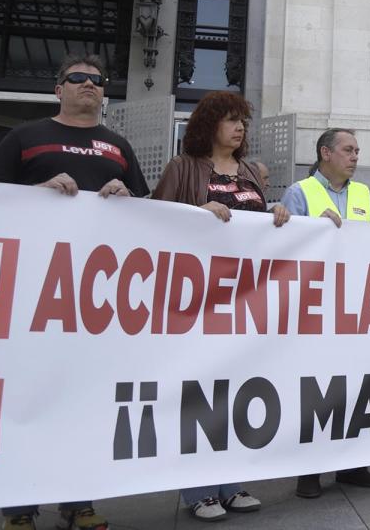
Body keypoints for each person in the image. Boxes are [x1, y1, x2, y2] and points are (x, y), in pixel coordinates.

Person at [0, 55, 145, 530]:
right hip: (34, 291)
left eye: (98, 80)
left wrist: (127, 195)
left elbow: (146, 210)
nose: (90, 85)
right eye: (78, 79)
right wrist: (36, 191)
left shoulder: (118, 146)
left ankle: (79, 502)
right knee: (28, 399)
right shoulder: (25, 137)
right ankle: (19, 509)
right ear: (59, 89)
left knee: (85, 402)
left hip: (96, 300)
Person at [149, 92, 286, 521]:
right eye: (230, 120)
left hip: (243, 299)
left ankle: (232, 483)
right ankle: (199, 491)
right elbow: (156, 221)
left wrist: (278, 212)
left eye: (242, 120)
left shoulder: (248, 171)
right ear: (209, 126)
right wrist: (196, 210)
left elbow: (259, 228)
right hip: (197, 298)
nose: (239, 127)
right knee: (199, 391)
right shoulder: (182, 167)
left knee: (237, 390)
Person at [280, 128, 370, 497]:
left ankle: (352, 465)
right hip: (315, 307)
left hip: (354, 306)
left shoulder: (363, 194)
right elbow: (283, 248)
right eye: (348, 149)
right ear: (326, 153)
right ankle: (309, 472)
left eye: (357, 150)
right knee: (316, 390)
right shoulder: (299, 192)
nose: (355, 156)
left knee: (355, 386)